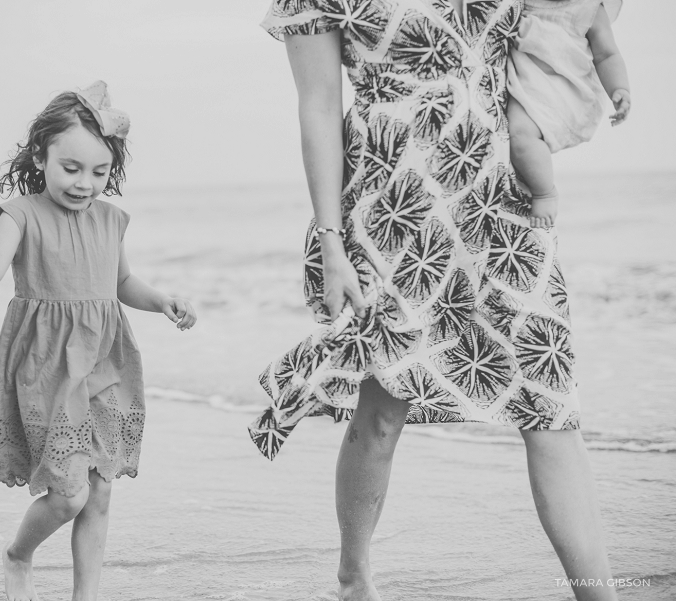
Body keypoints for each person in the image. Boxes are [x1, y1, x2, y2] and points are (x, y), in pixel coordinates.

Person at [247, 1, 618, 600]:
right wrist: (331, 241)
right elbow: (317, 107)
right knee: (383, 410)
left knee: (551, 405)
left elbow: (573, 19)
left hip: (503, 205)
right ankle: (354, 577)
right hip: (396, 209)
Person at [0, 82, 197, 601]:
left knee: (101, 490)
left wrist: (161, 301)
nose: (86, 183)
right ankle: (18, 554)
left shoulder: (111, 220)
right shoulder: (21, 214)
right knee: (68, 494)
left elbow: (120, 285)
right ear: (40, 154)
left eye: (99, 171)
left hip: (106, 364)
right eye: (71, 168)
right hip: (47, 369)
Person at [508, 0, 630, 227]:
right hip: (527, 81)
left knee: (521, 135)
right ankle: (537, 179)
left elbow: (607, 54)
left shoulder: (590, 8)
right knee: (519, 136)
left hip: (567, 87)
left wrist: (619, 88)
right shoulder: (520, 3)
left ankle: (545, 193)